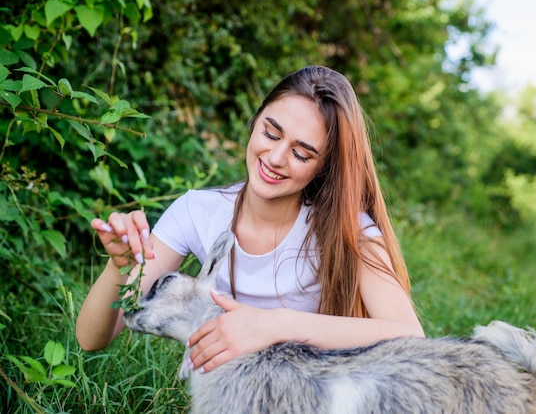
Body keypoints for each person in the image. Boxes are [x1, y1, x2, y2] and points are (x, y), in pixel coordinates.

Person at [76, 65, 425, 373]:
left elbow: (408, 334)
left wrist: (274, 325)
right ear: (255, 120)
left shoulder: (346, 229)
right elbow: (93, 338)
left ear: (324, 167)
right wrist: (118, 266)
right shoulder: (198, 211)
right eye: (271, 133)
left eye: (301, 153)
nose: (275, 157)